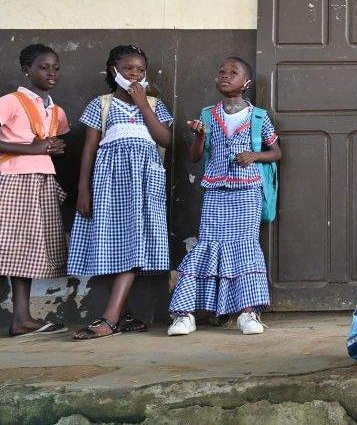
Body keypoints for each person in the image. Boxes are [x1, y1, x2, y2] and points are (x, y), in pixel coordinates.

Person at [167, 57, 281, 336]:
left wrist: (254, 156)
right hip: (215, 192)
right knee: (208, 245)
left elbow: (277, 153)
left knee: (245, 248)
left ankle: (248, 312)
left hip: (248, 191)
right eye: (221, 72)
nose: (226, 76)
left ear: (247, 83)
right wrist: (199, 137)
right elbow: (195, 158)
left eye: (234, 73)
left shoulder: (258, 116)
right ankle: (185, 314)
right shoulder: (207, 116)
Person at [68, 45, 173, 340]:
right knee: (116, 243)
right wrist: (83, 190)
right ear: (114, 71)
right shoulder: (100, 105)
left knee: (135, 241)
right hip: (109, 183)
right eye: (129, 69)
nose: (136, 75)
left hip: (144, 184)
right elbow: (89, 149)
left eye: (141, 70)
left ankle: (110, 318)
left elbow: (165, 138)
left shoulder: (154, 104)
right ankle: (123, 315)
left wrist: (142, 105)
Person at [0, 44, 70, 336]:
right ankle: (21, 319)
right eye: (43, 67)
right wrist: (34, 148)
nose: (51, 73)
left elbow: (50, 146)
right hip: (14, 180)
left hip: (41, 181)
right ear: (27, 70)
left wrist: (52, 148)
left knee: (26, 251)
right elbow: (32, 146)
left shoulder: (56, 110)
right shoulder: (10, 101)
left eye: (55, 67)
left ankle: (22, 319)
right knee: (11, 248)